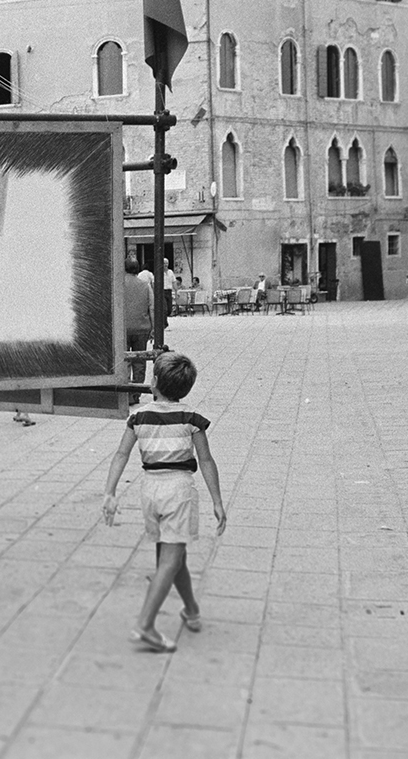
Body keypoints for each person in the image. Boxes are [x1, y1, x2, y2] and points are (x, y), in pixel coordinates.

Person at [102, 352, 226, 653]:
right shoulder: (191, 418)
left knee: (171, 556)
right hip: (179, 491)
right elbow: (206, 460)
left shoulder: (138, 417)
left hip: (150, 491)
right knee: (170, 559)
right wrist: (217, 500)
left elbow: (121, 454)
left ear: (154, 382)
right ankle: (145, 625)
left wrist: (110, 491)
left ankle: (191, 609)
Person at [124, 259, 155, 404]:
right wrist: (153, 327)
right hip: (141, 328)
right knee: (139, 361)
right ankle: (135, 394)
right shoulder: (145, 285)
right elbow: (152, 308)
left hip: (122, 329)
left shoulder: (117, 285)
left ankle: (125, 392)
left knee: (124, 360)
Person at [162, 258, 174, 329]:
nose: (165, 264)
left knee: (169, 309)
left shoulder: (170, 272)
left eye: (167, 263)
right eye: (164, 263)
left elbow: (174, 281)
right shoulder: (159, 272)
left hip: (169, 291)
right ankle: (164, 324)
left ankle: (163, 320)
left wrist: (176, 291)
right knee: (164, 309)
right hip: (162, 291)